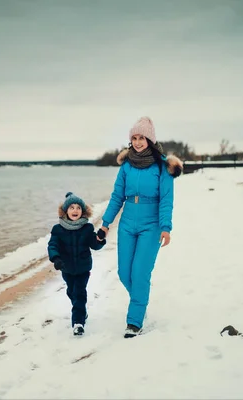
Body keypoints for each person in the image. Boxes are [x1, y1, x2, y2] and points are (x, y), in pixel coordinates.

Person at [98, 116, 182, 338]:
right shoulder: (126, 166)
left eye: (141, 138)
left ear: (150, 140)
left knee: (140, 273)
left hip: (151, 224)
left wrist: (166, 227)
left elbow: (166, 199)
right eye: (134, 138)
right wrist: (105, 224)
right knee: (125, 272)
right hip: (127, 223)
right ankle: (140, 302)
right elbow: (117, 196)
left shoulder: (162, 166)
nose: (137, 142)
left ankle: (134, 322)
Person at [48, 192, 106, 336]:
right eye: (72, 207)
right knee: (71, 291)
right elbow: (52, 245)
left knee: (79, 293)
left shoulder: (87, 228)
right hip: (66, 268)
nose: (75, 210)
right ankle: (81, 311)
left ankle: (78, 322)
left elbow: (94, 245)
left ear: (83, 211)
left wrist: (99, 239)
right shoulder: (58, 229)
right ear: (65, 211)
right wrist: (56, 258)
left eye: (78, 208)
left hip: (83, 268)